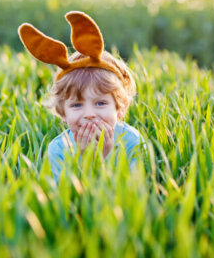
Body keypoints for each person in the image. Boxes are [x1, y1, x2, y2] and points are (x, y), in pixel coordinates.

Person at [18, 11, 144, 182]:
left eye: (100, 103)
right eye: (77, 105)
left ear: (120, 109)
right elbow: (62, 198)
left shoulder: (131, 141)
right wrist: (87, 161)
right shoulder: (59, 149)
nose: (89, 114)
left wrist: (105, 156)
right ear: (63, 113)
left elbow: (134, 191)